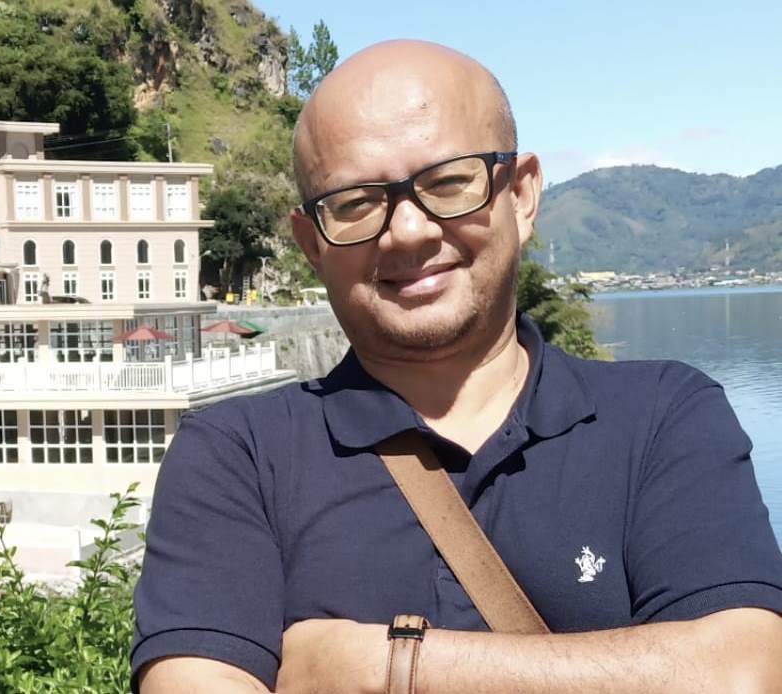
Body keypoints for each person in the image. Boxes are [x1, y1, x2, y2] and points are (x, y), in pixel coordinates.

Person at [132, 40, 782, 693]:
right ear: (312, 245)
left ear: (521, 196)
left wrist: (378, 667)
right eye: (356, 203)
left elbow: (742, 675)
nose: (408, 231)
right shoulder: (236, 458)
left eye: (447, 183)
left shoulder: (662, 415)